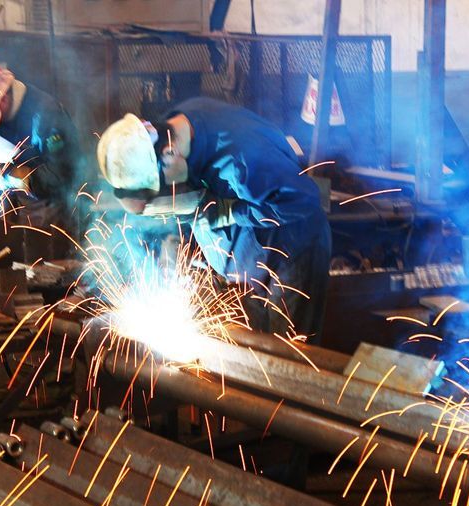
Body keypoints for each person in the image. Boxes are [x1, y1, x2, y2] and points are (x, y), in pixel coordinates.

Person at [96, 97, 331, 343]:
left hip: (290, 255)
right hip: (248, 264)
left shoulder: (240, 163)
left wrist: (230, 212)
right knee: (253, 353)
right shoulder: (174, 127)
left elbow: (305, 200)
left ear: (169, 153)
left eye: (162, 185)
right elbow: (155, 199)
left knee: (285, 353)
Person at [0, 53, 82, 225]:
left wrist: (18, 179)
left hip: (55, 204)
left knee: (41, 229)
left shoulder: (46, 116)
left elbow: (64, 174)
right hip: (22, 201)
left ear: (2, 99)